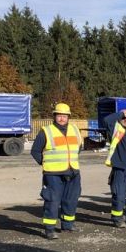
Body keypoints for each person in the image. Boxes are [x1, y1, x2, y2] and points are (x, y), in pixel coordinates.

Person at [30, 103, 83, 240]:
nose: (62, 118)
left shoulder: (75, 129)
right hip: (53, 174)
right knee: (52, 201)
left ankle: (68, 224)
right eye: (59, 116)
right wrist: (45, 163)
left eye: (64, 116)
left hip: (73, 171)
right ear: (54, 116)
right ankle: (49, 229)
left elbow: (79, 147)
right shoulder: (46, 131)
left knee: (71, 200)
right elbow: (35, 151)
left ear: (68, 117)